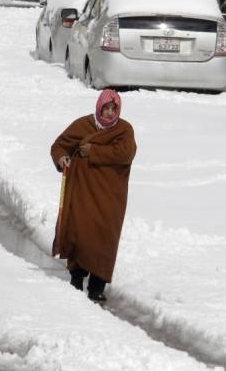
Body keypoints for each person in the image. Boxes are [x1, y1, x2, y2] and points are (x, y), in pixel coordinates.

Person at [50, 89, 136, 302]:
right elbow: (59, 145)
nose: (108, 113)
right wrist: (62, 158)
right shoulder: (83, 125)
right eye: (105, 108)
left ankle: (97, 286)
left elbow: (125, 153)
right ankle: (77, 279)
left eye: (112, 109)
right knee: (81, 232)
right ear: (98, 107)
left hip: (110, 196)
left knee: (104, 236)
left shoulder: (124, 130)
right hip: (81, 192)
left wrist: (93, 152)